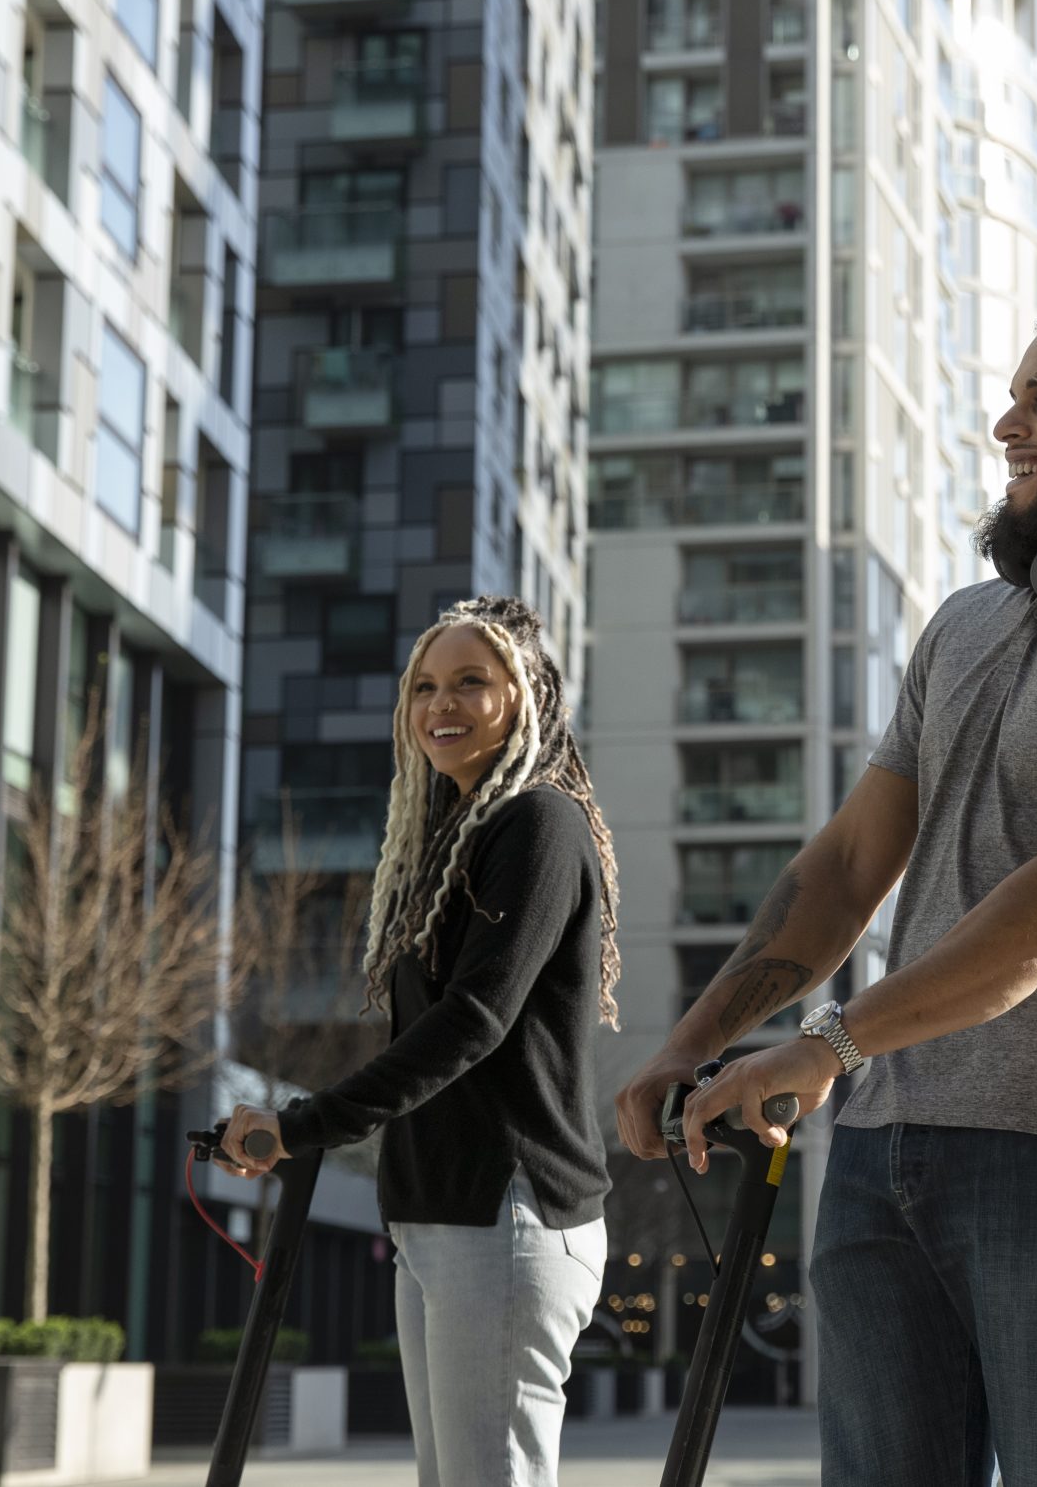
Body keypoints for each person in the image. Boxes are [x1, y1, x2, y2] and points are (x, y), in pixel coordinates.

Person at [616, 291, 1037, 1487]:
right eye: (1011, 395)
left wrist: (822, 1046)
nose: (1005, 424)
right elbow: (843, 870)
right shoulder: (965, 625)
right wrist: (698, 1043)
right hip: (883, 1139)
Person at [215, 596, 621, 1487]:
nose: (442, 703)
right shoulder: (455, 838)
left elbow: (473, 1021)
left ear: (523, 695)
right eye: (426, 686)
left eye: (471, 682)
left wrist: (306, 1121)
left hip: (509, 1212)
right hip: (439, 1217)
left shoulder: (538, 824)